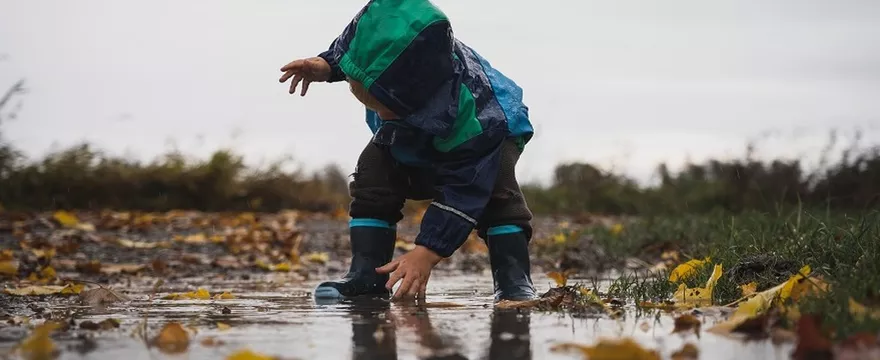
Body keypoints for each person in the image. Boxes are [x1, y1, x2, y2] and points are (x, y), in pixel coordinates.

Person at [279, 0, 536, 303]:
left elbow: (464, 189)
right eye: (356, 84)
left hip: (490, 131)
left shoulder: (478, 124)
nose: (358, 93)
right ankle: (366, 275)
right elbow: (362, 51)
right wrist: (327, 66)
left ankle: (513, 280)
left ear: (410, 91)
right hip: (413, 121)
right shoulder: (388, 56)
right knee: (373, 169)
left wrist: (426, 253)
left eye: (379, 100)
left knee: (497, 193)